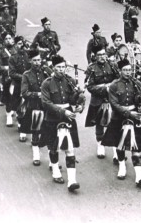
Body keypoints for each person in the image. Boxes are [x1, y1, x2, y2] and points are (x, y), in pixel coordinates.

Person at [101, 59, 141, 186]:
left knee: (136, 147)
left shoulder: (137, 83)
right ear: (120, 71)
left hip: (134, 118)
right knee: (120, 144)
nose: (128, 72)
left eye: (129, 70)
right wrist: (130, 113)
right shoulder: (114, 85)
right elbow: (114, 104)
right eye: (125, 70)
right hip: (119, 118)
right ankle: (122, 167)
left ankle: (139, 175)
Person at [40, 55, 85, 191]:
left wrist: (79, 105)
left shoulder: (70, 81)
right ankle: (55, 171)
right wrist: (63, 111)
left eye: (63, 67)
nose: (61, 70)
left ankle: (72, 180)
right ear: (53, 68)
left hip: (68, 117)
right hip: (53, 118)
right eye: (58, 67)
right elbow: (46, 103)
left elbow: (73, 100)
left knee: (70, 149)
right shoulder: (47, 83)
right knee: (54, 148)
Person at [85, 44, 119, 161]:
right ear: (95, 56)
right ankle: (100, 146)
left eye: (104, 54)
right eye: (99, 55)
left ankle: (116, 150)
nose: (102, 57)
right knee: (99, 124)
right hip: (98, 100)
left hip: (112, 99)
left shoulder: (113, 65)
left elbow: (119, 79)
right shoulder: (91, 68)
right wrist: (105, 87)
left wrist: (112, 86)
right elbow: (89, 87)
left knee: (114, 124)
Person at [20, 50, 49, 166]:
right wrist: (37, 94)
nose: (37, 62)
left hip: (47, 106)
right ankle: (36, 155)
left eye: (39, 60)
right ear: (30, 61)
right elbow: (24, 92)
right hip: (35, 106)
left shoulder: (46, 72)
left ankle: (52, 159)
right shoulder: (26, 75)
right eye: (35, 60)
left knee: (49, 131)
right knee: (36, 131)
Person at [9, 36, 31, 141]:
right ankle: (22, 129)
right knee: (19, 106)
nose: (21, 46)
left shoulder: (29, 56)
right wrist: (24, 77)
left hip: (30, 85)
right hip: (18, 84)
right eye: (19, 44)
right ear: (15, 46)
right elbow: (12, 73)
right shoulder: (13, 58)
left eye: (23, 44)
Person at [0, 31, 16, 126]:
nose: (8, 40)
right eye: (6, 39)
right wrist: (6, 68)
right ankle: (8, 116)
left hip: (17, 76)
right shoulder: (1, 52)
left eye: (10, 38)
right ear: (3, 41)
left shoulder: (17, 50)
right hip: (7, 77)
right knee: (8, 96)